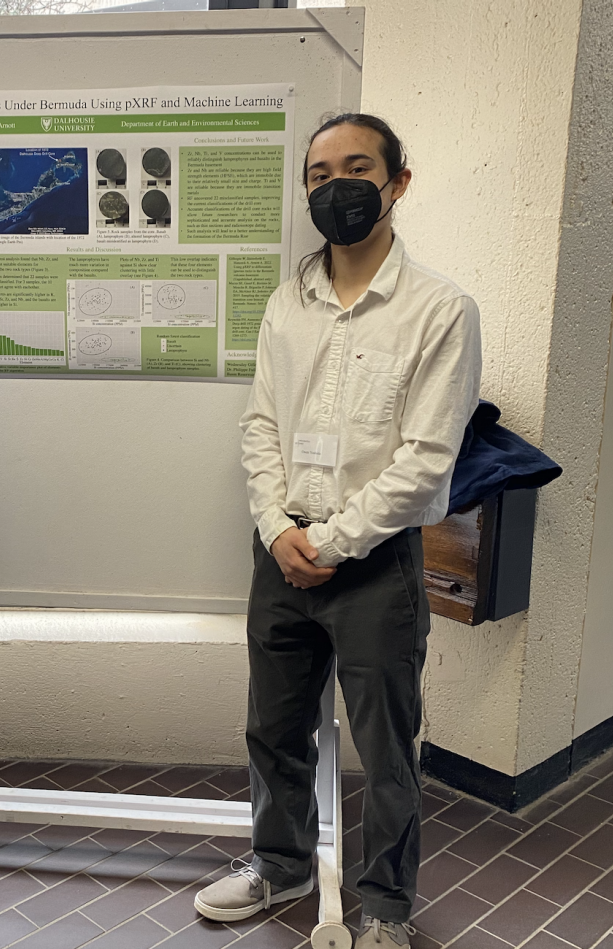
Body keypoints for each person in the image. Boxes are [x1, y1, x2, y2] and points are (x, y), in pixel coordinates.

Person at [193, 114, 482, 947]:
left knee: (386, 743)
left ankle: (387, 904)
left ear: (398, 181)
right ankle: (277, 864)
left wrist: (333, 542)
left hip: (374, 562)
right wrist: (278, 525)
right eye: (319, 175)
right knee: (273, 726)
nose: (336, 187)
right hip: (280, 548)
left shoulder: (440, 310)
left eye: (357, 168)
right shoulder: (291, 301)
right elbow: (260, 427)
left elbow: (427, 460)